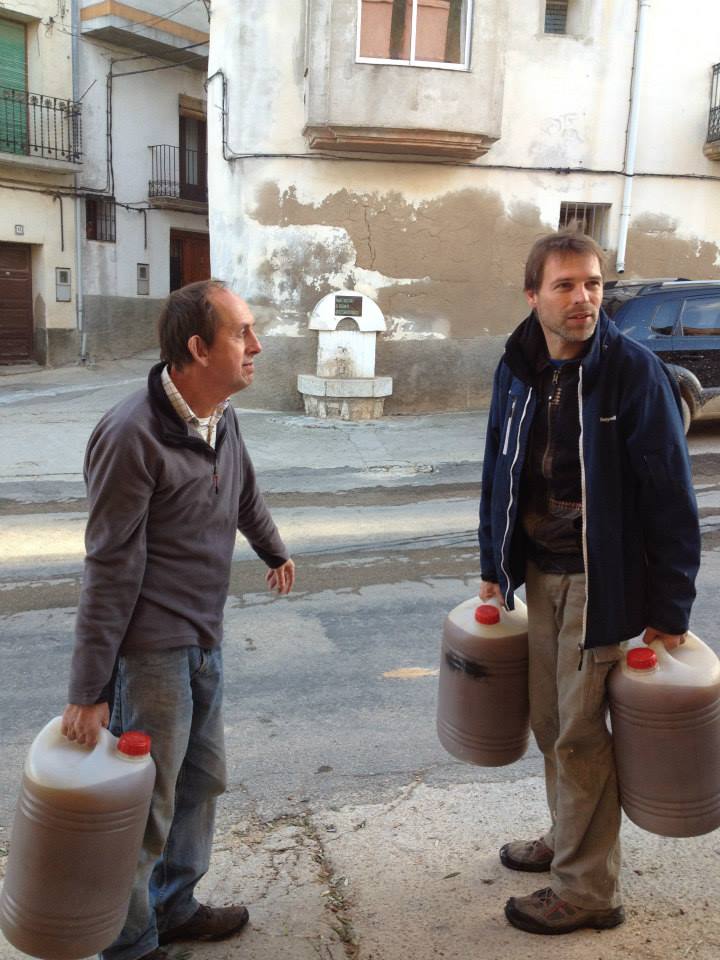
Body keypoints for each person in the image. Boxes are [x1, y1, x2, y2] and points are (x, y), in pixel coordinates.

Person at [61, 279, 295, 960]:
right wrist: (89, 691)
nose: (258, 345)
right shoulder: (130, 435)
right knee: (143, 812)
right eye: (241, 333)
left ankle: (176, 905)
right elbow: (107, 567)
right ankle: (130, 943)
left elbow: (243, 488)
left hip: (204, 635)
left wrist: (272, 548)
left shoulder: (220, 414)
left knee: (201, 782)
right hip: (150, 654)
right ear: (198, 347)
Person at [478, 230, 700, 935]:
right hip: (541, 572)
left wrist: (670, 604)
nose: (584, 299)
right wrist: (495, 564)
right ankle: (566, 836)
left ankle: (588, 890)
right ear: (533, 295)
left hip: (600, 580)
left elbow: (671, 495)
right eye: (566, 285)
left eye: (594, 284)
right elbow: (498, 466)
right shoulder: (517, 367)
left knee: (578, 733)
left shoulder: (632, 372)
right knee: (550, 724)